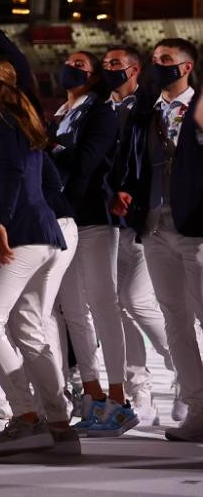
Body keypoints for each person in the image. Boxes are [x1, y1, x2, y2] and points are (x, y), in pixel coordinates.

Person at [0, 55, 78, 457]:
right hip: (43, 230)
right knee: (29, 330)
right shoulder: (19, 113)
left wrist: (0, 224)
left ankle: (26, 418)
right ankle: (60, 427)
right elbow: (44, 177)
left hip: (21, 232)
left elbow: (10, 172)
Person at [112, 38, 203, 442]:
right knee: (175, 321)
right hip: (153, 224)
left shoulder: (200, 105)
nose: (157, 66)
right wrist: (125, 190)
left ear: (186, 67)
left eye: (165, 60)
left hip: (196, 225)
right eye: (154, 60)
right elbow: (132, 162)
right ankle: (197, 408)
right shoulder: (145, 112)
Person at [47, 49, 134, 434]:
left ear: (95, 75)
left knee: (103, 305)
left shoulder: (99, 110)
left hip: (94, 217)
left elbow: (87, 163)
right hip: (64, 220)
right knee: (72, 312)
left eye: (81, 65)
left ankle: (120, 398)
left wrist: (55, 154)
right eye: (69, 62)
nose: (72, 68)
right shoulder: (58, 115)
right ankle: (93, 395)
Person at [103, 45, 176, 423]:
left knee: (137, 300)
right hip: (110, 222)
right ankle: (140, 390)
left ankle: (183, 366)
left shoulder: (147, 107)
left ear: (134, 71)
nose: (107, 69)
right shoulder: (101, 109)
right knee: (120, 306)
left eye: (115, 64)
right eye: (105, 64)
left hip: (145, 218)